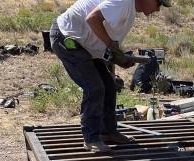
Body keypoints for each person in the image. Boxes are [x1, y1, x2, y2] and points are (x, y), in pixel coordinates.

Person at [50, 0, 171, 152]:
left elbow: (104, 41)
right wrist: (113, 48)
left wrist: (119, 59)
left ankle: (107, 132)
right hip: (66, 38)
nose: (158, 9)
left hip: (85, 46)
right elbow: (92, 19)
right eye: (158, 4)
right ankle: (91, 139)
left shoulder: (129, 12)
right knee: (95, 87)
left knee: (109, 85)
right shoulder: (122, 2)